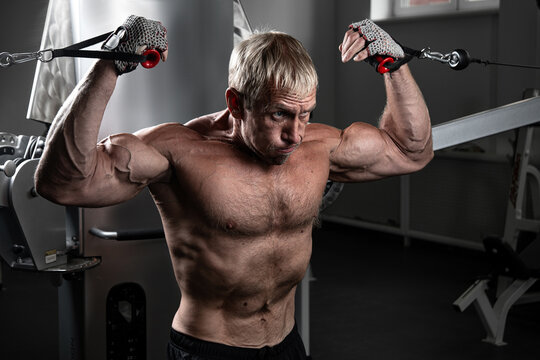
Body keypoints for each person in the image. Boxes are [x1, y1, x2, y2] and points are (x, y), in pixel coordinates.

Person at [35, 15, 433, 360]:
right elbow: (64, 183)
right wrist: (109, 65)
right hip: (208, 349)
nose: (295, 134)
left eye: (305, 114)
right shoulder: (181, 151)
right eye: (280, 114)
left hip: (286, 344)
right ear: (237, 103)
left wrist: (394, 66)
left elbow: (411, 151)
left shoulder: (319, 146)